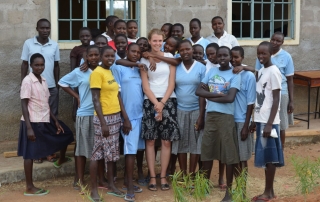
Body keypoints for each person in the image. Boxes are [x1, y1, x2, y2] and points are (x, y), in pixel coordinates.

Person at [18, 53, 74, 196]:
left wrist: (55, 121)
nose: (39, 67)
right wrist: (29, 128)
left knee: (66, 133)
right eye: (36, 65)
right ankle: (29, 187)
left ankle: (61, 159)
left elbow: (46, 105)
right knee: (29, 154)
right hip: (33, 122)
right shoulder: (27, 81)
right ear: (31, 65)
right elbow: (24, 105)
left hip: (46, 119)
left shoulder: (43, 80)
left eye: (42, 65)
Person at [59, 45, 109, 191]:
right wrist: (77, 97)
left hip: (100, 115)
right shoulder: (80, 71)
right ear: (86, 57)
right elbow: (62, 82)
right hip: (85, 114)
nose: (93, 57)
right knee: (81, 149)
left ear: (100, 56)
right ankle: (79, 179)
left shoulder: (103, 70)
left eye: (96, 55)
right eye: (90, 55)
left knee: (99, 149)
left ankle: (100, 179)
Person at [196, 46, 240, 202]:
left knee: (228, 154)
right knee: (207, 150)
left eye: (225, 55)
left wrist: (210, 96)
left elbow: (230, 98)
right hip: (211, 116)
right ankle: (204, 186)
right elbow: (198, 92)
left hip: (226, 117)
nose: (222, 58)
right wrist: (216, 95)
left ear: (230, 57)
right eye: (219, 55)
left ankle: (229, 192)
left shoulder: (235, 74)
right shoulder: (211, 71)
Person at [140, 29, 180, 191]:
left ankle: (162, 175)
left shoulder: (169, 58)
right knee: (150, 140)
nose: (157, 43)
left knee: (166, 140)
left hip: (168, 101)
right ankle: (152, 176)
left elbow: (172, 83)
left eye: (160, 41)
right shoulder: (143, 58)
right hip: (149, 101)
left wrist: (162, 103)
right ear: (149, 41)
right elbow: (145, 85)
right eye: (154, 41)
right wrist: (155, 103)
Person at [89, 46, 131, 200]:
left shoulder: (110, 71)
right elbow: (95, 99)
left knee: (112, 152)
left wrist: (124, 117)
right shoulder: (97, 73)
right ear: (101, 56)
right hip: (103, 118)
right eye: (107, 56)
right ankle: (93, 190)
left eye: (112, 56)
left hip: (115, 117)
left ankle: (111, 185)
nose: (110, 59)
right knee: (97, 153)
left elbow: (117, 95)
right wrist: (103, 123)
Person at [21, 18, 60, 164]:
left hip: (49, 87)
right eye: (42, 28)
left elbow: (56, 65)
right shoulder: (28, 43)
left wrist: (57, 84)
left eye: (47, 28)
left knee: (51, 120)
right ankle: (37, 152)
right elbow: (24, 64)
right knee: (36, 121)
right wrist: (23, 83)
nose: (45, 30)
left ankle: (49, 151)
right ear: (37, 28)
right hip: (33, 88)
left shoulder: (54, 45)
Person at [111, 43, 146, 201]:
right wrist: (125, 118)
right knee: (130, 151)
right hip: (128, 118)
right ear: (127, 51)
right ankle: (130, 188)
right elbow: (117, 95)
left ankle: (126, 181)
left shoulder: (140, 70)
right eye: (133, 51)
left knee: (137, 149)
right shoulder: (118, 68)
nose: (136, 54)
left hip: (140, 115)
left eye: (138, 52)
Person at [251, 41, 284, 202]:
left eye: (264, 53)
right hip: (260, 119)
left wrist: (270, 123)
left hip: (269, 122)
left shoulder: (274, 71)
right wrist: (254, 120)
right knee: (265, 157)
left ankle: (268, 192)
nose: (261, 56)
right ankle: (268, 191)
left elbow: (276, 100)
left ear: (271, 54)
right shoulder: (262, 71)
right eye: (259, 53)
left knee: (270, 157)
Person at [254, 32, 294, 149]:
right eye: (273, 40)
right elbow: (257, 76)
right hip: (265, 94)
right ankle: (267, 148)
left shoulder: (286, 57)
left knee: (280, 123)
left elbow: (290, 80)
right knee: (265, 121)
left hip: (281, 93)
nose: (275, 43)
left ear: (282, 43)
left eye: (278, 41)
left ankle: (280, 149)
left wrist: (291, 100)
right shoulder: (262, 54)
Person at [172, 40, 206, 175]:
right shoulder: (176, 67)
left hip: (196, 109)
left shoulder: (201, 67)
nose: (185, 52)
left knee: (195, 143)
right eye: (182, 50)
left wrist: (201, 115)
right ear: (178, 53)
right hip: (180, 109)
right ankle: (183, 174)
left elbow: (203, 93)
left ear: (192, 50)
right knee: (180, 142)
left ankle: (192, 174)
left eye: (188, 49)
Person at [231, 46, 256, 197]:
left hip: (242, 121)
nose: (234, 60)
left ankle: (243, 190)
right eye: (231, 57)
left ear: (243, 58)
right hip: (229, 120)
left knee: (242, 158)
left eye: (237, 58)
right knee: (233, 158)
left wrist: (246, 125)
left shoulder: (249, 76)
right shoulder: (230, 73)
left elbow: (250, 102)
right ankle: (237, 186)